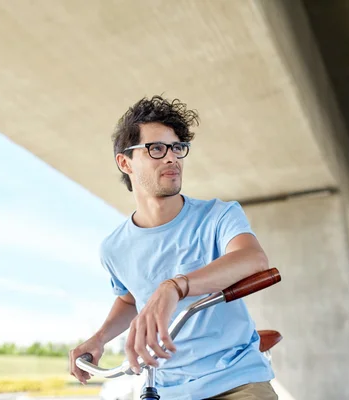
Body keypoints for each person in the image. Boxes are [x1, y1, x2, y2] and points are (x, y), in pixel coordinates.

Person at [68, 95, 278, 400]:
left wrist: (176, 286)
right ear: (124, 161)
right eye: (156, 149)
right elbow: (130, 300)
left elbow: (252, 258)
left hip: (237, 381)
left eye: (177, 148)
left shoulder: (218, 216)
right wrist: (99, 338)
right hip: (166, 388)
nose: (172, 158)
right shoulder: (114, 248)